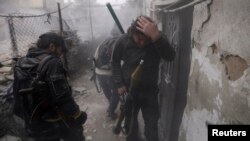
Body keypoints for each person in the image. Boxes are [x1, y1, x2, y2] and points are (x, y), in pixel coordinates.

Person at [13, 32, 87, 141]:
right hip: (52, 119)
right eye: (60, 50)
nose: (61, 54)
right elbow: (62, 97)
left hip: (32, 120)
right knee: (77, 135)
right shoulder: (52, 63)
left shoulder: (21, 62)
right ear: (52, 46)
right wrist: (77, 114)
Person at [112, 16, 176, 141]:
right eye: (139, 39)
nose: (142, 44)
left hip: (149, 92)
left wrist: (156, 37)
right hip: (129, 91)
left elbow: (170, 56)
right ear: (133, 33)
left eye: (146, 40)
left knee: (152, 125)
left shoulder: (156, 38)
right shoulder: (123, 41)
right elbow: (114, 62)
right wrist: (119, 83)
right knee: (130, 124)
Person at [93, 28, 121, 119]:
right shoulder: (118, 43)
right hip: (110, 73)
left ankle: (111, 107)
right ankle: (111, 111)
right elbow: (120, 61)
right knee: (116, 92)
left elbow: (95, 58)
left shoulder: (102, 44)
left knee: (107, 91)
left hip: (99, 73)